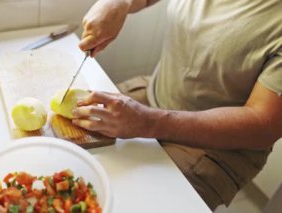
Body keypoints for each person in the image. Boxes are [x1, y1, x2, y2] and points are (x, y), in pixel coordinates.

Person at [71, 0, 282, 210]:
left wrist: (148, 123)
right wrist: (120, 3)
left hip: (216, 147)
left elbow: (263, 123)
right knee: (76, 154)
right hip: (153, 99)